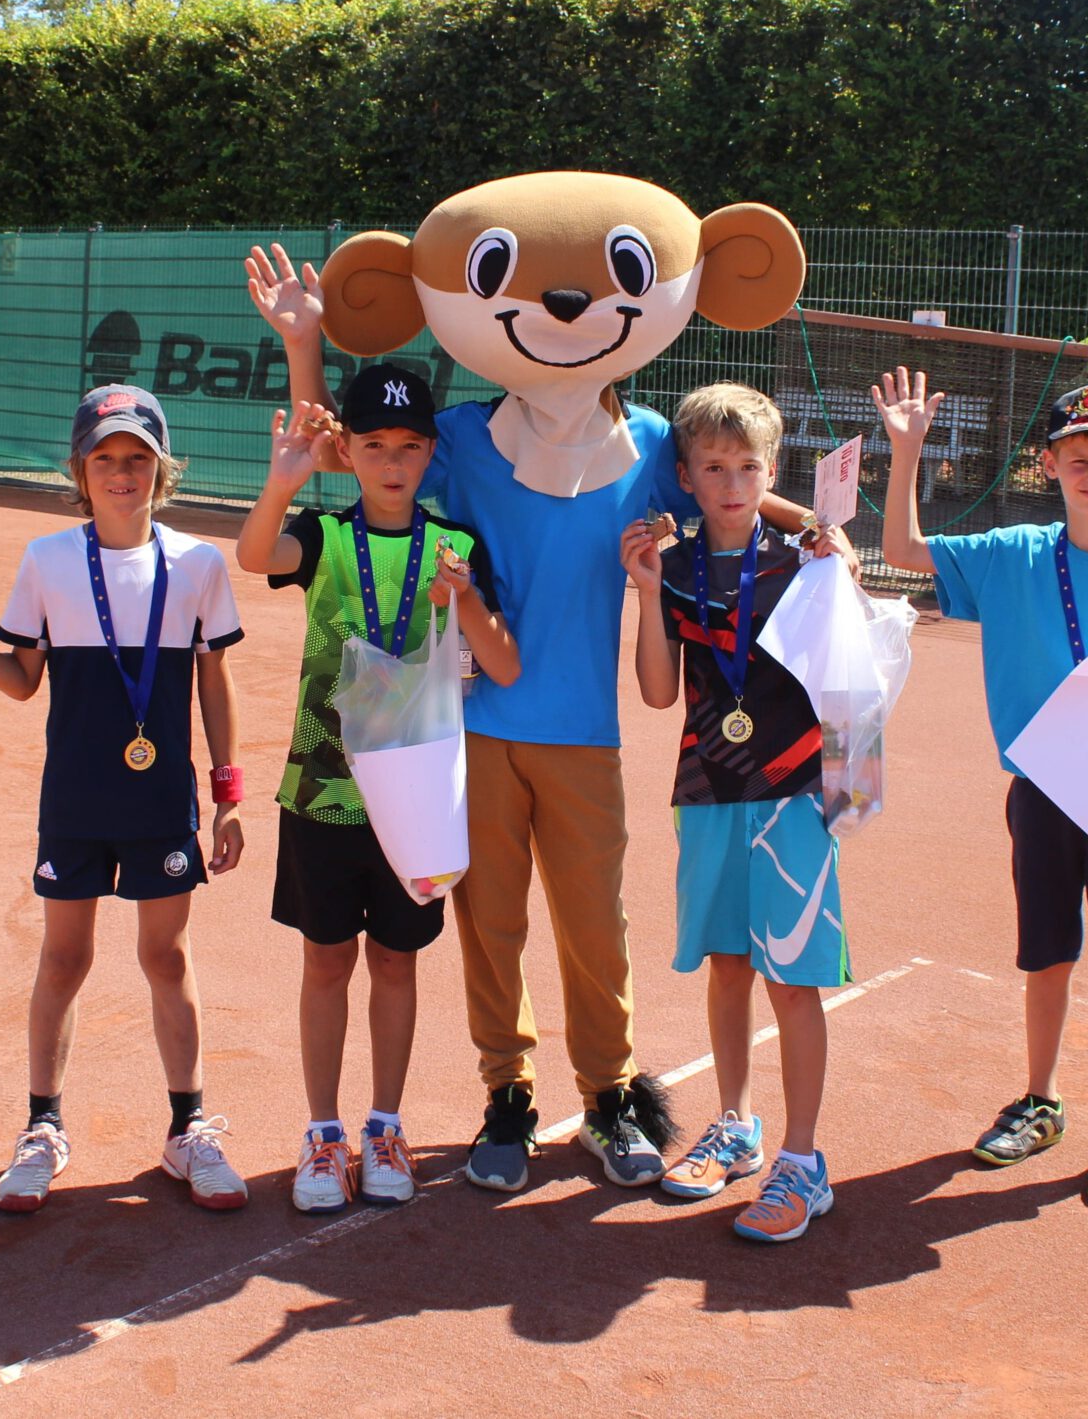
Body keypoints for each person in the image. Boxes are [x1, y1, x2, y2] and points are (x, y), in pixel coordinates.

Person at [246, 227, 845, 1194]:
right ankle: (507, 1094)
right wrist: (303, 343)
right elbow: (334, 459)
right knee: (491, 925)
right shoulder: (471, 441)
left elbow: (725, 487)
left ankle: (611, 1096)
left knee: (594, 926)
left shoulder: (651, 443)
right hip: (475, 731)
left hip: (584, 734)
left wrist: (807, 524)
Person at [873, 368, 1088, 1206]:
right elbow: (903, 552)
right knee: (1047, 955)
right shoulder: (1013, 555)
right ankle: (1040, 1099)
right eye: (1079, 456)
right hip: (1043, 790)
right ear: (1049, 466)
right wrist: (907, 450)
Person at [0, 384, 251, 1215]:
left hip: (161, 800)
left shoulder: (199, 565)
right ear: (80, 470)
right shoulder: (49, 561)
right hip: (74, 796)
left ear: (162, 471)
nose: (121, 472)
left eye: (137, 458)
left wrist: (228, 793)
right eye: (104, 458)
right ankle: (42, 1128)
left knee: (165, 957)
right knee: (64, 958)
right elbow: (23, 680)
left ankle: (189, 1129)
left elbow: (216, 678)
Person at [235, 362, 520, 1213]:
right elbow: (255, 556)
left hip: (420, 803)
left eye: (407, 447)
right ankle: (323, 1133)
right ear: (349, 453)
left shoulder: (458, 548)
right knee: (326, 959)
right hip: (324, 792)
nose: (391, 462)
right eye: (372, 447)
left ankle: (385, 1124)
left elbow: (502, 661)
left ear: (430, 454)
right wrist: (283, 481)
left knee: (396, 960)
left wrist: (465, 605)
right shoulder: (322, 536)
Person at [623, 383, 849, 1243]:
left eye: (747, 466)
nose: (730, 482)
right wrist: (646, 594)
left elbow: (847, 671)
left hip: (794, 796)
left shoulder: (802, 559)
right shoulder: (674, 570)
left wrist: (841, 558)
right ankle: (736, 1123)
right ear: (685, 474)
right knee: (725, 965)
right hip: (709, 789)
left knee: (793, 978)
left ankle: (803, 1158)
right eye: (712, 467)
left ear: (770, 472)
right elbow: (653, 692)